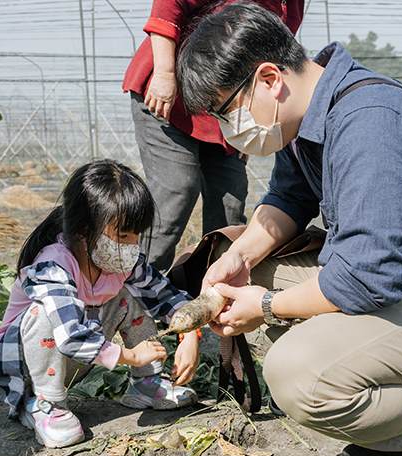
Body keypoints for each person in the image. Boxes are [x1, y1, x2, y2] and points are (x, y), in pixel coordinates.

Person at [177, 3, 402, 456]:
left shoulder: (370, 123)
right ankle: (375, 368)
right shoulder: (306, 116)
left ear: (268, 79)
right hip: (398, 284)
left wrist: (269, 305)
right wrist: (239, 255)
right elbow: (288, 201)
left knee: (296, 376)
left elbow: (367, 277)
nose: (225, 130)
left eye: (224, 111)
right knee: (244, 268)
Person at [0, 160, 201, 449]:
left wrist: (190, 334)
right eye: (123, 235)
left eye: (136, 235)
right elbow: (70, 335)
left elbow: (164, 295)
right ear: (84, 230)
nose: (131, 245)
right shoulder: (52, 265)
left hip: (73, 358)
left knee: (127, 296)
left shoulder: (120, 261)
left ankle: (146, 384)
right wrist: (131, 356)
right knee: (44, 313)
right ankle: (46, 403)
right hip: (22, 364)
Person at [122, 0, 304, 271]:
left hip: (225, 109)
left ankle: (211, 289)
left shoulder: (292, 4)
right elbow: (169, 5)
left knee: (230, 200)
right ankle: (137, 287)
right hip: (170, 98)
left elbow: (275, 51)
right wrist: (164, 73)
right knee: (177, 189)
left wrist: (250, 126)